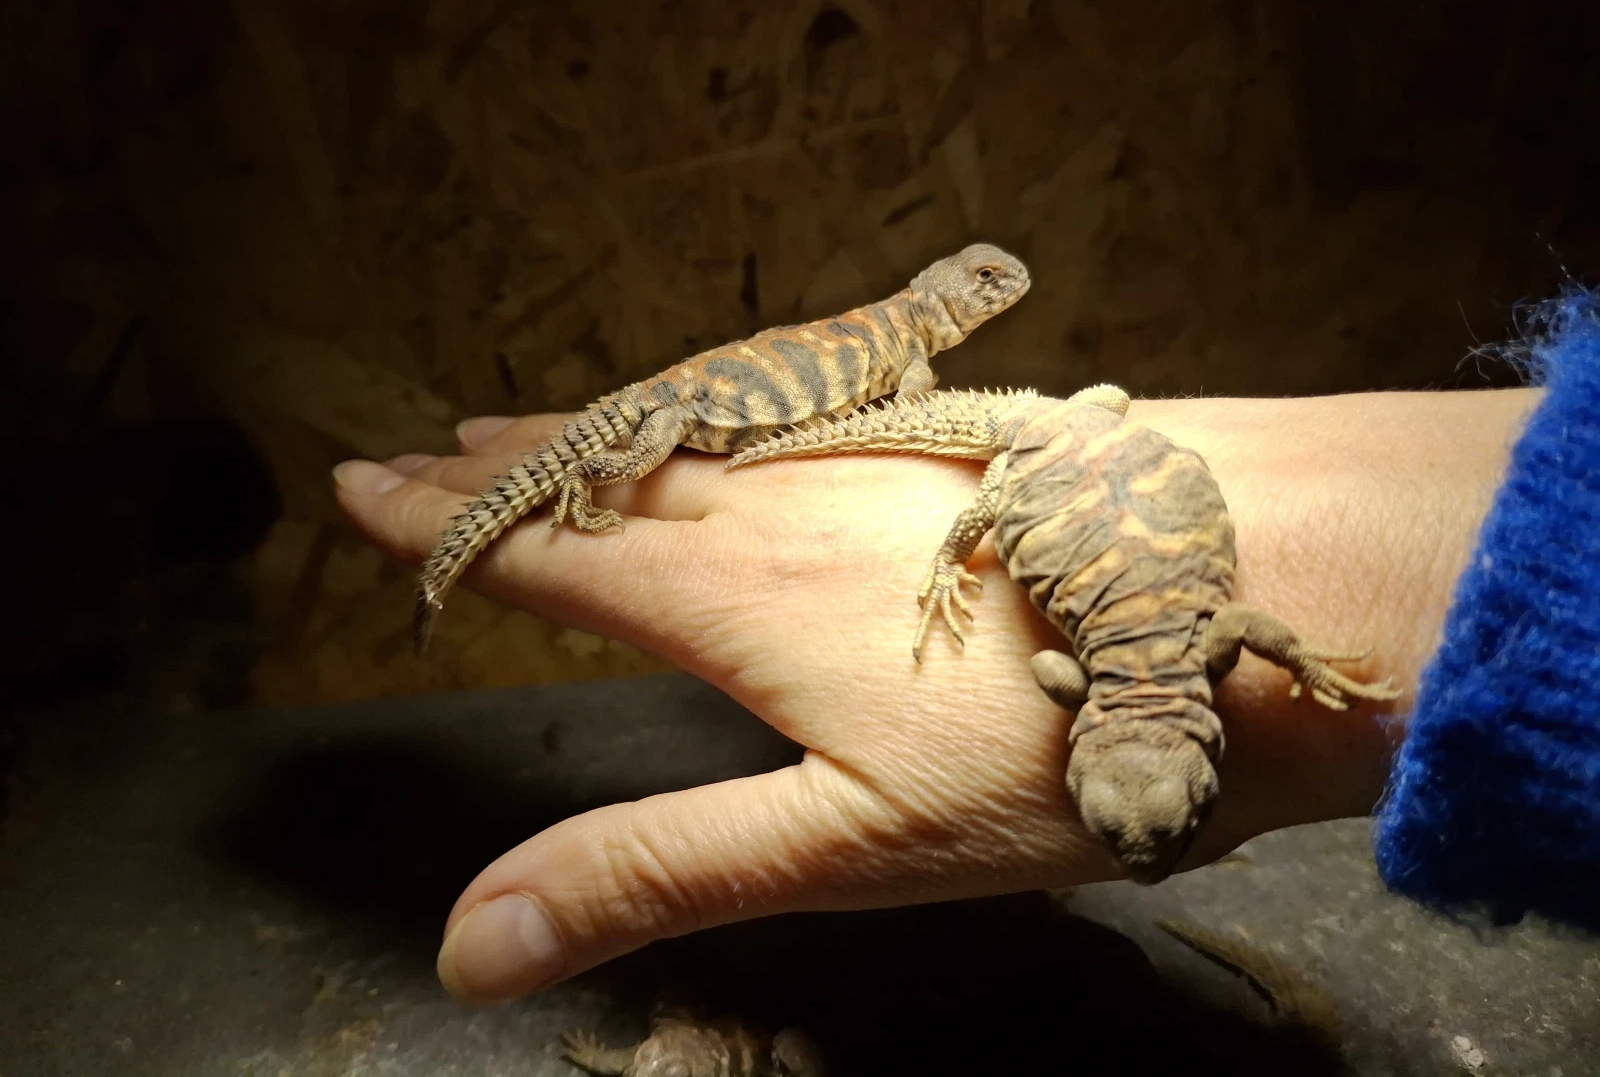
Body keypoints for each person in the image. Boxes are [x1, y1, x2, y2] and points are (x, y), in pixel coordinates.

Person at [332, 294, 1599, 1005]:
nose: (1144, 858)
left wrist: (1328, 664)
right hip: (1067, 450)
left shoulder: (1155, 665)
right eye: (1162, 819)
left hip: (1076, 446)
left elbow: (1192, 641)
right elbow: (1214, 634)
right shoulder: (1165, 659)